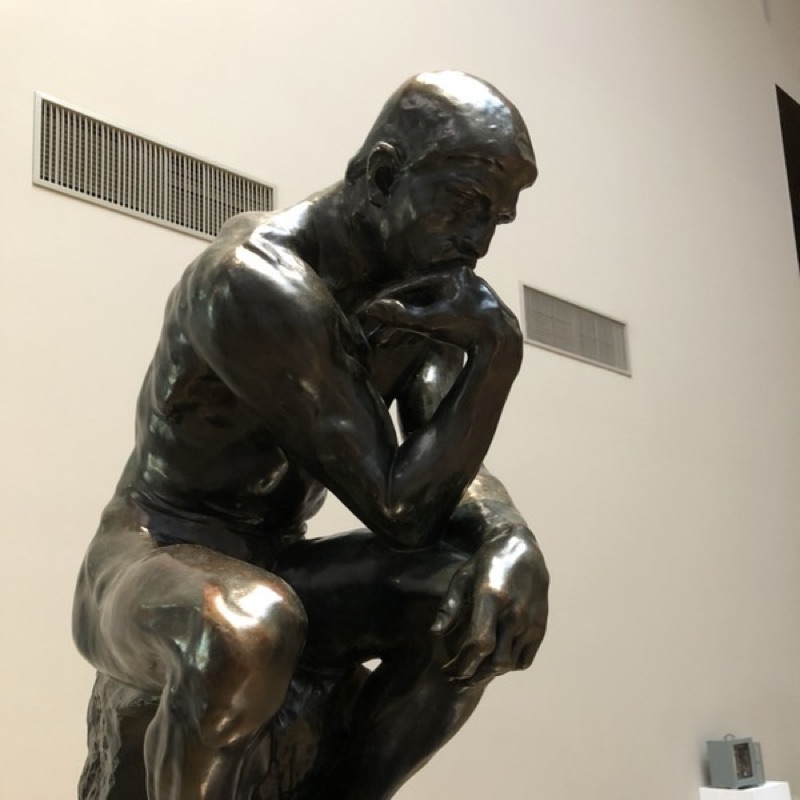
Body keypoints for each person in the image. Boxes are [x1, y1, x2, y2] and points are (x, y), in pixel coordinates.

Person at [72, 70, 550, 800]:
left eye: (496, 219)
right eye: (465, 204)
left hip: (279, 564)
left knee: (469, 597)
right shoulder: (251, 279)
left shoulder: (418, 288)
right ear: (384, 174)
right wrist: (498, 356)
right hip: (149, 557)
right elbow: (400, 508)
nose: (479, 241)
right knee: (243, 631)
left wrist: (509, 537)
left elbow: (443, 465)